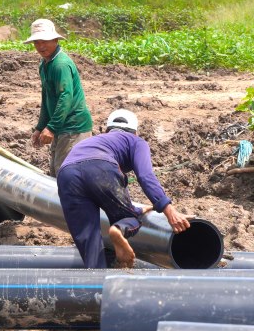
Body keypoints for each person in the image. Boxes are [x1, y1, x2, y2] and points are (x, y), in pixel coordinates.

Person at [56, 109, 191, 268]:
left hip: (66, 174)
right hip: (101, 168)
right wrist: (169, 210)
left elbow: (88, 177)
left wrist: (140, 208)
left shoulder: (94, 141)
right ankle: (118, 230)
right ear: (135, 132)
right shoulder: (136, 141)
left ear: (108, 130)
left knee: (88, 238)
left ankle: (97, 285)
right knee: (129, 218)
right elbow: (145, 176)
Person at [24, 18, 93, 176]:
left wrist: (52, 127)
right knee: (57, 172)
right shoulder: (45, 64)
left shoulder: (60, 64)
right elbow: (46, 97)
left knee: (67, 176)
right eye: (37, 42)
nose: (41, 46)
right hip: (61, 127)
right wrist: (40, 127)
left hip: (73, 128)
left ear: (55, 40)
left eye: (45, 41)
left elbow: (65, 97)